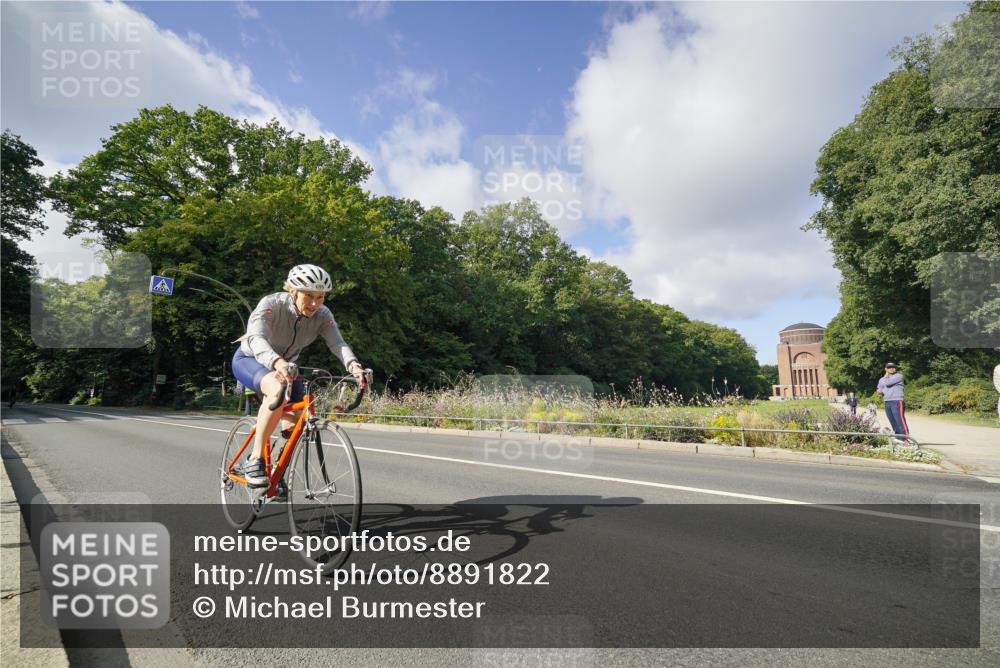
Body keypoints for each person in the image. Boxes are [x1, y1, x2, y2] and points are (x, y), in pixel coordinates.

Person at [232, 264, 366, 488]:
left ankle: (277, 468)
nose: (315, 304)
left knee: (299, 422)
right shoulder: (271, 304)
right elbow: (256, 338)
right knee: (277, 389)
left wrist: (354, 366)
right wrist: (277, 362)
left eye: (320, 297)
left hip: (288, 368)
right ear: (293, 291)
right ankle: (255, 459)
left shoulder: (323, 315)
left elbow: (337, 343)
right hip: (251, 360)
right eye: (309, 296)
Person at [876, 362, 909, 441]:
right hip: (887, 401)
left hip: (897, 401)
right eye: (889, 367)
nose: (892, 368)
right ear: (886, 369)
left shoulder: (898, 376)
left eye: (893, 367)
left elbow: (887, 383)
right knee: (893, 421)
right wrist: (880, 390)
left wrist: (883, 386)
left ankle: (905, 439)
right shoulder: (882, 379)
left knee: (900, 421)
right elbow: (878, 390)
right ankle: (898, 439)